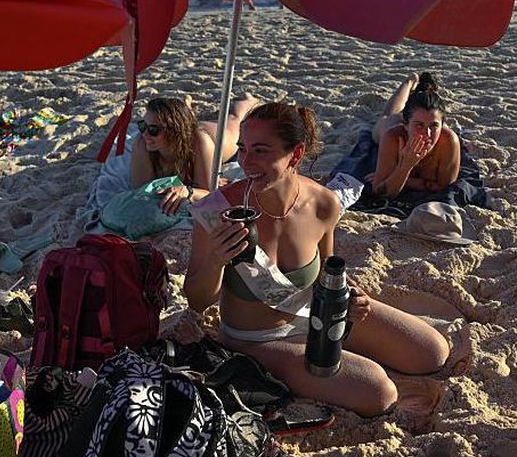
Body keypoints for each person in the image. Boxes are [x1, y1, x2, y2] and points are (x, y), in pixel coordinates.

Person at [184, 102, 449, 417]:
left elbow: (328, 278)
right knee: (379, 392)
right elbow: (198, 302)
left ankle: (346, 359)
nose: (245, 161)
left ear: (295, 154)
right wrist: (216, 259)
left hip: (317, 318)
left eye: (260, 151)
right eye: (242, 149)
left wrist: (351, 300)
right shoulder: (219, 212)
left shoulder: (323, 203)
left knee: (432, 352)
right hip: (257, 340)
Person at [130, 95, 260, 215]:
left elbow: (209, 194)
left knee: (235, 120)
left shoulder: (201, 142)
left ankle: (247, 101)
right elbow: (141, 192)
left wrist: (189, 191)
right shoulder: (141, 142)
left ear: (174, 131)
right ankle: (187, 110)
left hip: (215, 138)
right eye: (143, 126)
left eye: (153, 130)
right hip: (185, 130)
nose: (145, 134)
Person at [367, 72, 461, 199]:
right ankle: (410, 81)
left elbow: (445, 189)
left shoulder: (448, 140)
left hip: (422, 120)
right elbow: (380, 192)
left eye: (433, 126)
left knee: (426, 115)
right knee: (390, 115)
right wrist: (405, 166)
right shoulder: (393, 138)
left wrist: (400, 177)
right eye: (419, 126)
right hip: (392, 126)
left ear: (443, 125)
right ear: (406, 125)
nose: (427, 133)